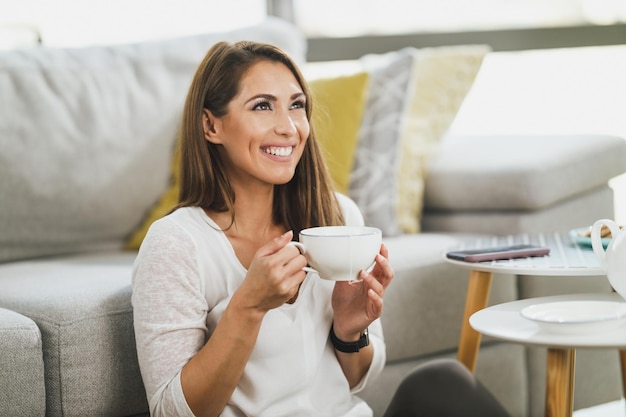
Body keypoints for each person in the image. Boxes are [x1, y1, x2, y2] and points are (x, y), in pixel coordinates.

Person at [131, 40, 510, 417]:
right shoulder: (176, 244)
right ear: (211, 125)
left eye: (297, 105)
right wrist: (248, 307)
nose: (289, 127)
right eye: (263, 106)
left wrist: (349, 332)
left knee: (441, 382)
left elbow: (359, 378)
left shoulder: (337, 216)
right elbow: (171, 412)